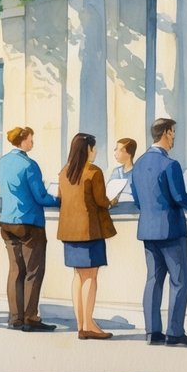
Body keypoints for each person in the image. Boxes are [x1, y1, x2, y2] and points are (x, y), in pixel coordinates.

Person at [132, 118, 187, 347]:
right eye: (172, 133)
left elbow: (137, 199)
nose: (174, 138)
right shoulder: (170, 165)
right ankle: (174, 332)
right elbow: (180, 197)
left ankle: (152, 331)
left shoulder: (139, 164)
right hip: (171, 230)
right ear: (165, 133)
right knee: (179, 281)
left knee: (153, 280)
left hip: (148, 229)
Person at [0, 126, 60, 332]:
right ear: (22, 141)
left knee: (15, 270)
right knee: (33, 271)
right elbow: (41, 197)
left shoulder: (3, 162)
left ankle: (15, 318)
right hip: (29, 222)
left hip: (6, 221)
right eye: (31, 139)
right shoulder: (29, 165)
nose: (32, 143)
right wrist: (60, 200)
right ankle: (30, 317)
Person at [57, 133, 116, 341]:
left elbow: (61, 198)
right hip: (89, 231)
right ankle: (88, 324)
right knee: (91, 276)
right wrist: (112, 201)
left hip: (69, 231)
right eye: (94, 148)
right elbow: (101, 201)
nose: (96, 151)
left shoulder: (64, 173)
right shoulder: (94, 172)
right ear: (86, 150)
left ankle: (80, 324)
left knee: (77, 277)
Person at [108, 138, 138, 206]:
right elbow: (109, 193)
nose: (115, 153)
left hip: (133, 208)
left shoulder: (138, 172)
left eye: (119, 150)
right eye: (115, 149)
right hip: (115, 208)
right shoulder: (116, 171)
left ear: (129, 153)